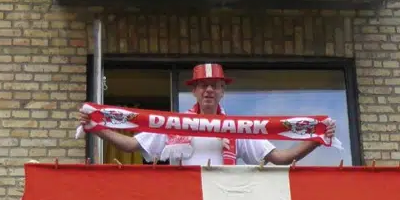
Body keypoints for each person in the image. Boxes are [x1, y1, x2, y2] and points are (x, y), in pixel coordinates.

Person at [83, 63, 335, 166]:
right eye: (203, 85)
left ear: (223, 90)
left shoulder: (240, 128)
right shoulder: (174, 125)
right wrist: (96, 127)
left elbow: (280, 158)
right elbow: (129, 145)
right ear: (194, 91)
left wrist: (317, 139)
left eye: (215, 85)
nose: (209, 90)